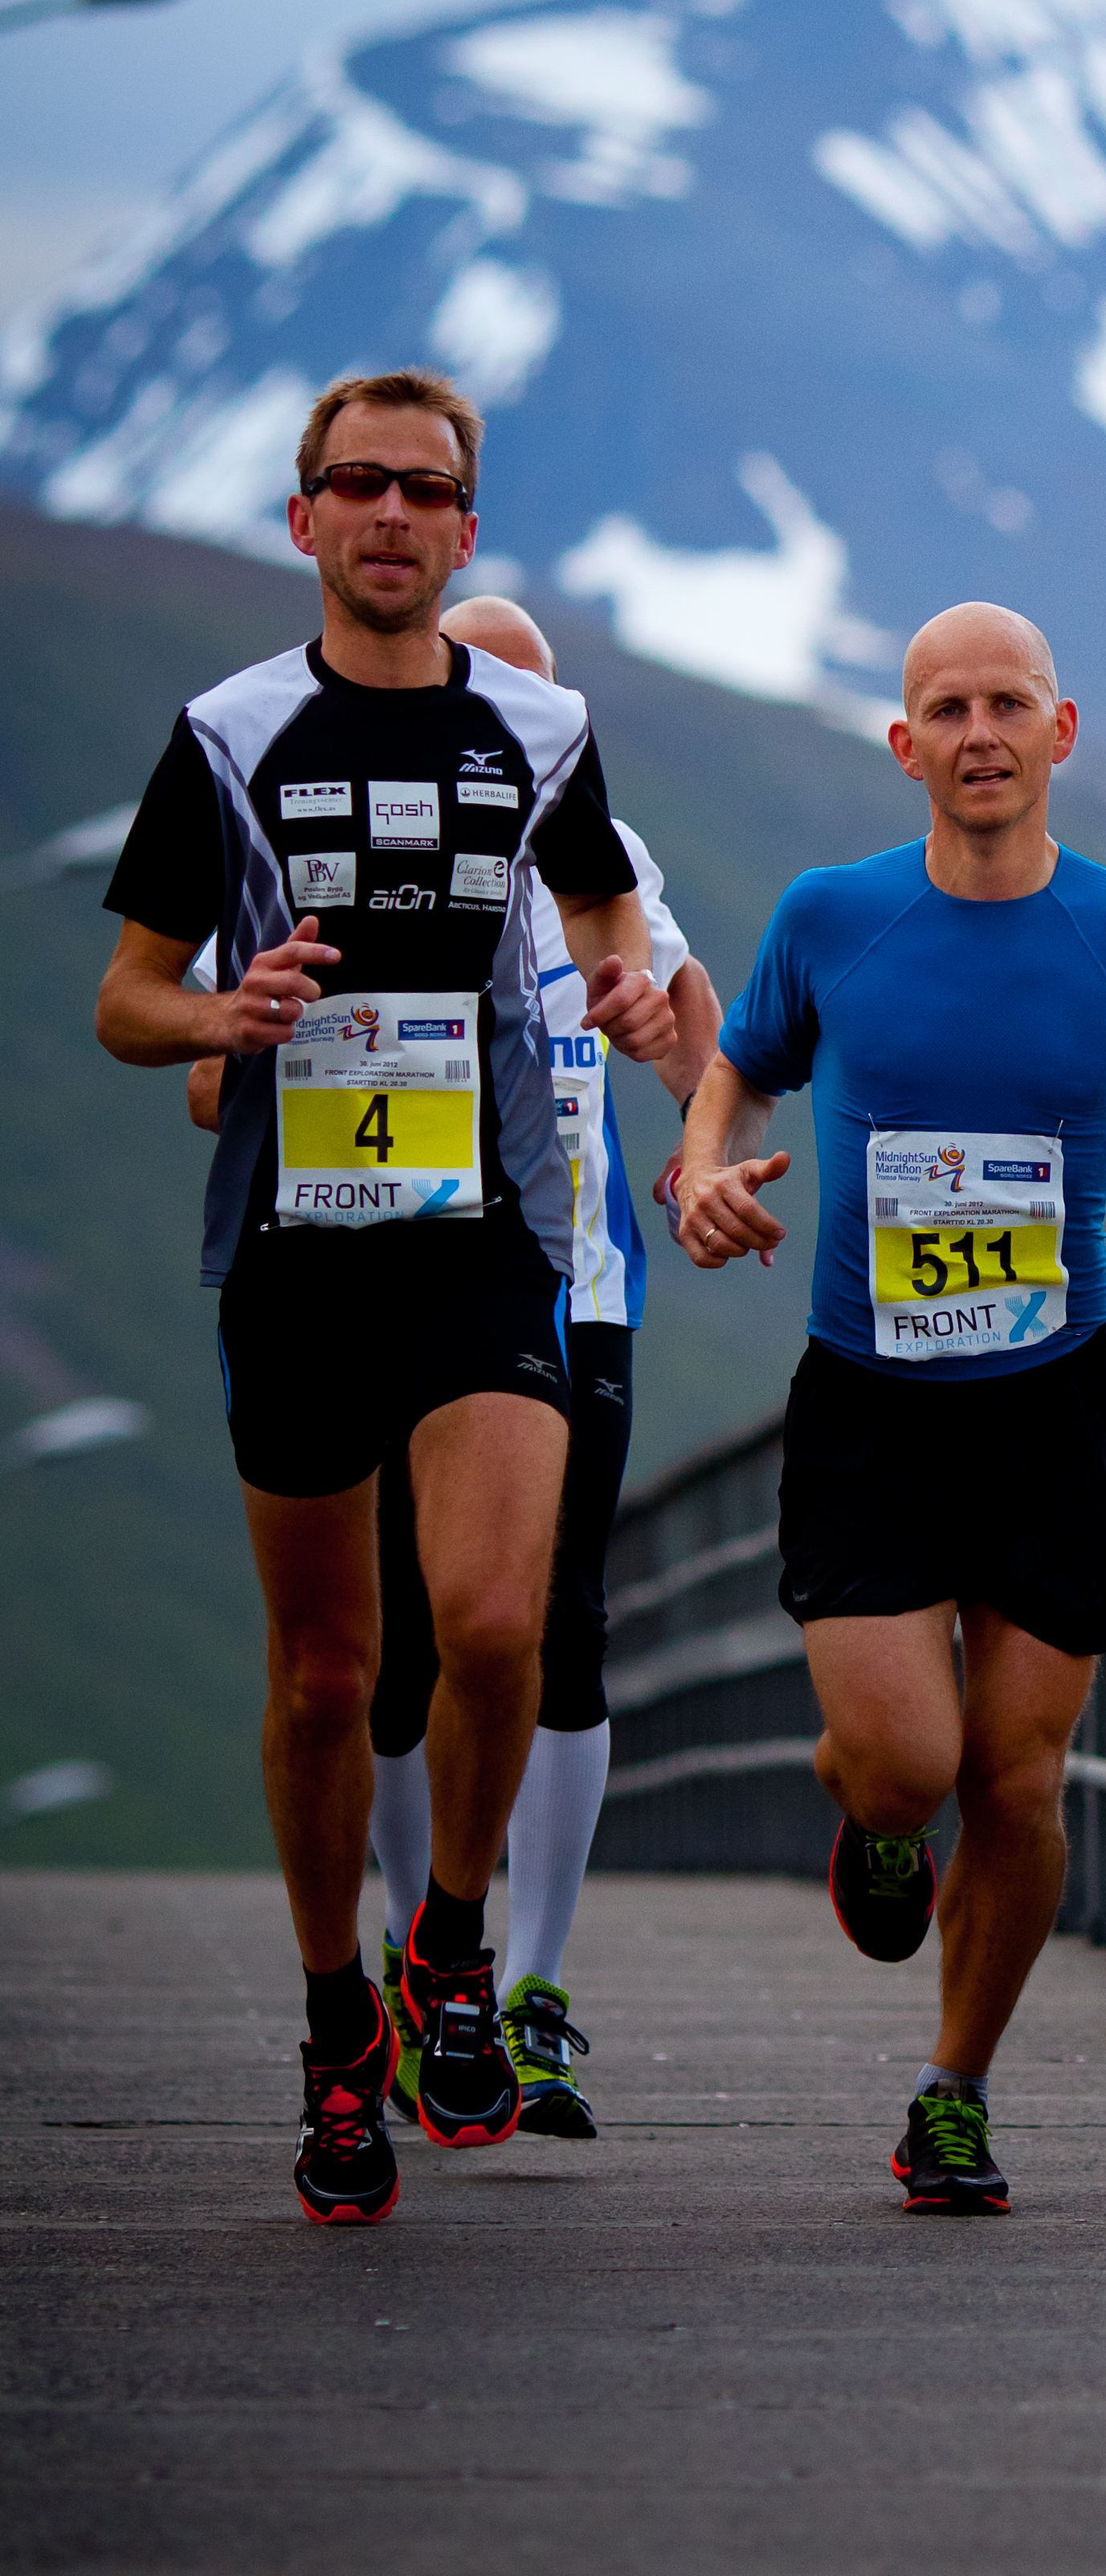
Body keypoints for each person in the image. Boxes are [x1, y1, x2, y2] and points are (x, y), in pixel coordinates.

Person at [96, 368, 680, 2227]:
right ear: (306, 521)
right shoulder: (229, 731)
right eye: (356, 486)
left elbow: (601, 914)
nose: (390, 516)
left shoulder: (546, 726)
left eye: (425, 489)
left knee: (498, 1625)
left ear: (464, 525)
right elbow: (127, 996)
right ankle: (337, 2023)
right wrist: (225, 1011)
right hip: (297, 1246)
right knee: (328, 1673)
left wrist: (628, 990)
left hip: (488, 1226)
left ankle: (451, 1947)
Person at [672, 598, 1106, 2215]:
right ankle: (873, 1822)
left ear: (1060, 730)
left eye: (1005, 704)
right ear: (904, 745)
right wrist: (698, 1163)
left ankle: (952, 2089)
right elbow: (742, 1063)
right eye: (944, 708)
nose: (978, 732)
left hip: (1052, 1404)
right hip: (873, 1402)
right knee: (904, 1760)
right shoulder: (833, 918)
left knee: (1018, 1784)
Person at [191, 593, 728, 2138]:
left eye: (520, 698)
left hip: (569, 1286)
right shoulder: (341, 865)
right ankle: (434, 1952)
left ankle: (519, 1984)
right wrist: (255, 1042)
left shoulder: (613, 875)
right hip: (375, 1275)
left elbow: (705, 1059)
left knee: (548, 1626)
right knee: (393, 1651)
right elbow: (207, 1089)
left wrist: (692, 1143)